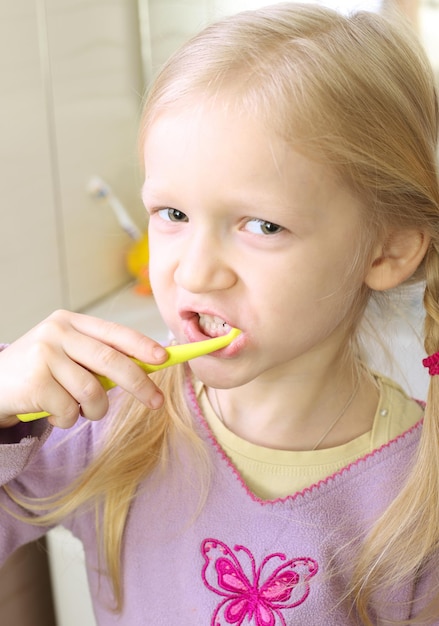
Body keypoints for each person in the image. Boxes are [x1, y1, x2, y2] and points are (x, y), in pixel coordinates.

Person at [0, 3, 438, 624]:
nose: (194, 271)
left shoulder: (419, 498)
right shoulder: (101, 421)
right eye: (172, 215)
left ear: (388, 251)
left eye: (262, 225)